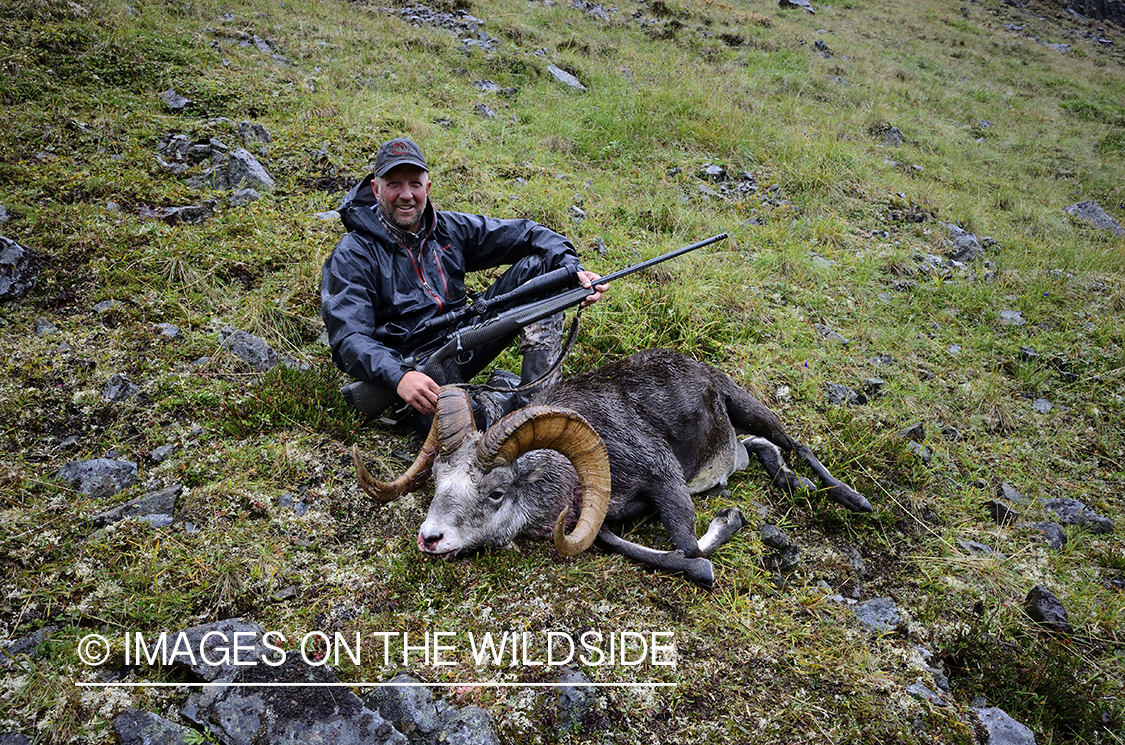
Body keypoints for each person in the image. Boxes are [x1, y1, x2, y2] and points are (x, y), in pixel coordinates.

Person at [321, 137, 606, 433]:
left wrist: (574, 272)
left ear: (427, 189)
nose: (406, 195)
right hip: (414, 372)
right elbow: (349, 339)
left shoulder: (448, 229)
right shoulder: (352, 254)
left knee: (541, 270)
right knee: (456, 423)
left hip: (465, 340)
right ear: (376, 189)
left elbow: (526, 232)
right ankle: (508, 408)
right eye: (394, 184)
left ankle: (537, 403)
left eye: (415, 184)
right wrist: (400, 377)